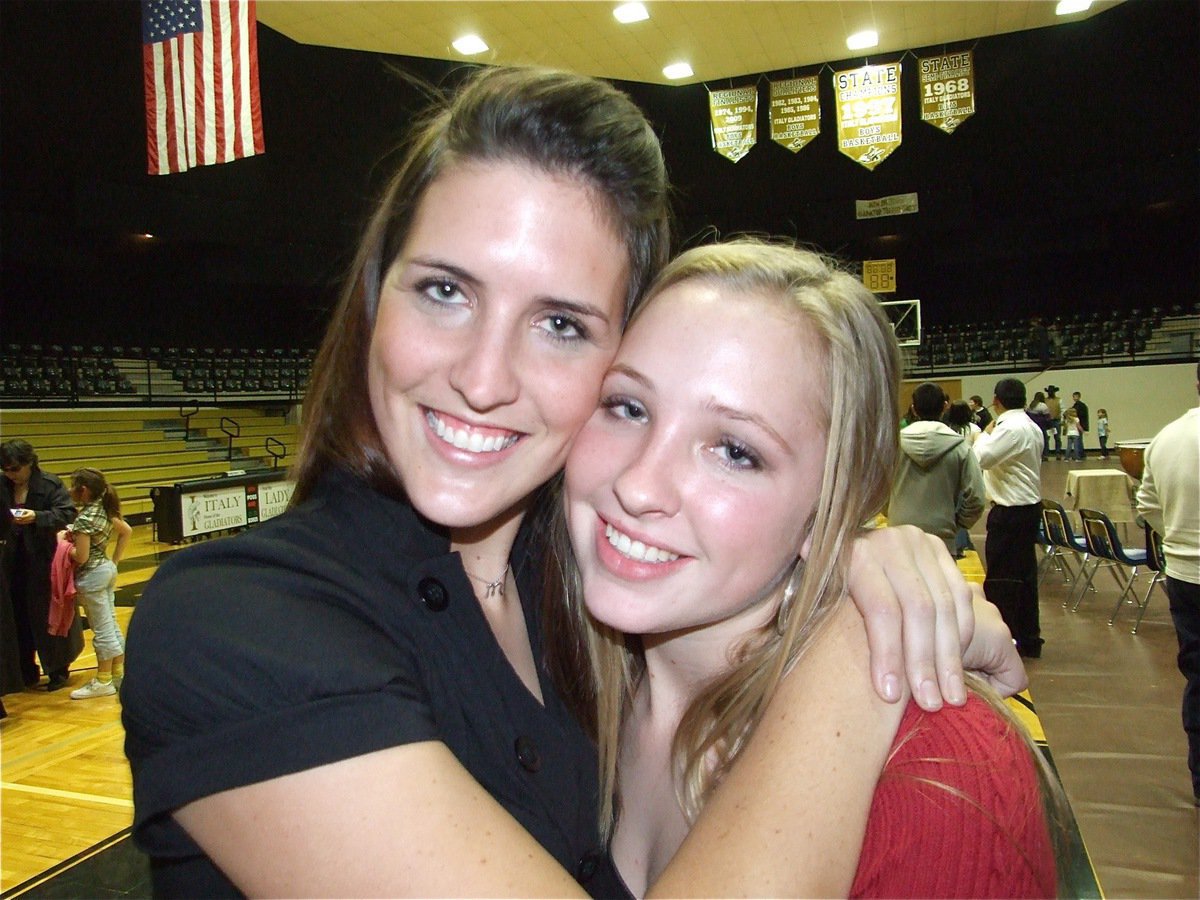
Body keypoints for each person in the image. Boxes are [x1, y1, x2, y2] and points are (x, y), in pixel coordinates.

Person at [121, 67, 1018, 898]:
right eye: (444, 291)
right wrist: (860, 648)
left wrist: (865, 567)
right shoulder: (235, 621)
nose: (482, 377)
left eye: (558, 322)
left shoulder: (588, 588)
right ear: (373, 297)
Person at [555, 240, 1061, 897]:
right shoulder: (544, 677)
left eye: (735, 451)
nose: (639, 485)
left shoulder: (943, 771)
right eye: (627, 407)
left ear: (832, 507)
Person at [1135, 362, 1200, 805]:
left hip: (1184, 575)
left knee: (1197, 675)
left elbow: (1146, 505)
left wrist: (1178, 538)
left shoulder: (1168, 437)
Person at [0, 439, 81, 691]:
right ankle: (24, 670)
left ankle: (57, 669)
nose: (10, 474)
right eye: (6, 470)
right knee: (16, 617)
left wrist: (38, 517)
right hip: (11, 560)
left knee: (48, 616)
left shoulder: (49, 484)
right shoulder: (2, 485)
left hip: (44, 560)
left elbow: (67, 513)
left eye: (15, 469)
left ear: (29, 464)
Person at [973, 379, 1046, 658]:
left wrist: (982, 434)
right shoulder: (1029, 425)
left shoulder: (1010, 428)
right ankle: (1028, 638)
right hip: (1025, 509)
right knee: (1024, 577)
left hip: (1011, 511)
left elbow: (980, 458)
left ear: (996, 401)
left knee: (1002, 579)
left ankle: (1002, 643)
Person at [889, 382, 985, 557]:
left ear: (913, 408)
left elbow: (874, 491)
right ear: (944, 406)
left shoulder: (893, 446)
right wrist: (958, 524)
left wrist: (893, 512)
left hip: (899, 535)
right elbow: (976, 497)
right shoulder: (960, 447)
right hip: (943, 537)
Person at [62, 468, 131, 700]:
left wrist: (62, 544)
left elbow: (80, 556)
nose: (69, 490)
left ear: (84, 490)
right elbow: (126, 531)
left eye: (73, 486)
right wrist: (114, 561)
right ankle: (118, 673)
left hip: (92, 575)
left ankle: (103, 680)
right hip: (106, 570)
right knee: (110, 622)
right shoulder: (105, 508)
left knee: (101, 629)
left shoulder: (84, 519)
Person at [1045, 385, 1063, 460]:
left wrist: (1061, 420)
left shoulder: (1059, 400)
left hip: (1056, 420)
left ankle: (1058, 453)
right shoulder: (1044, 400)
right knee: (1047, 438)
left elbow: (1062, 410)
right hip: (1048, 421)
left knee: (1057, 438)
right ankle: (1046, 454)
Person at [1070, 390, 1090, 457]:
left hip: (1079, 424)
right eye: (1074, 396)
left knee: (1078, 440)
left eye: (1076, 396)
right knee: (1079, 439)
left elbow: (1081, 415)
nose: (1075, 398)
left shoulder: (1079, 406)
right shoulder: (1079, 405)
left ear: (1079, 397)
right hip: (1079, 424)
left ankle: (1079, 454)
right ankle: (1080, 453)